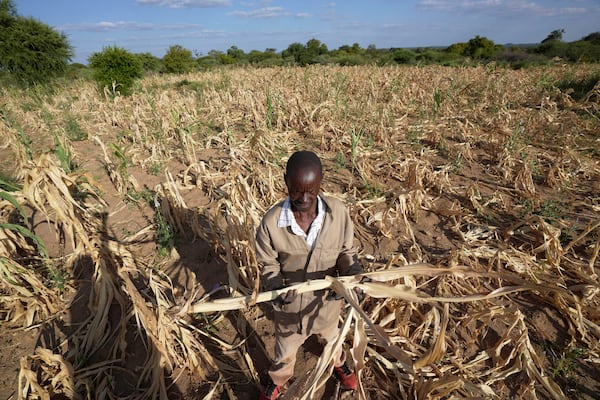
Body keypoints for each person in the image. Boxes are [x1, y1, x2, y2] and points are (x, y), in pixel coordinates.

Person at [255, 150, 363, 400]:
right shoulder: (271, 223)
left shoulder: (337, 214)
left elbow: (346, 253)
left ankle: (338, 363)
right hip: (290, 309)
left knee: (332, 339)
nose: (304, 198)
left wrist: (353, 274)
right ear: (285, 182)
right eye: (296, 191)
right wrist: (274, 286)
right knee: (285, 351)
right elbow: (268, 263)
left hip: (326, 306)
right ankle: (277, 381)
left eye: (311, 191)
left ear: (321, 182)